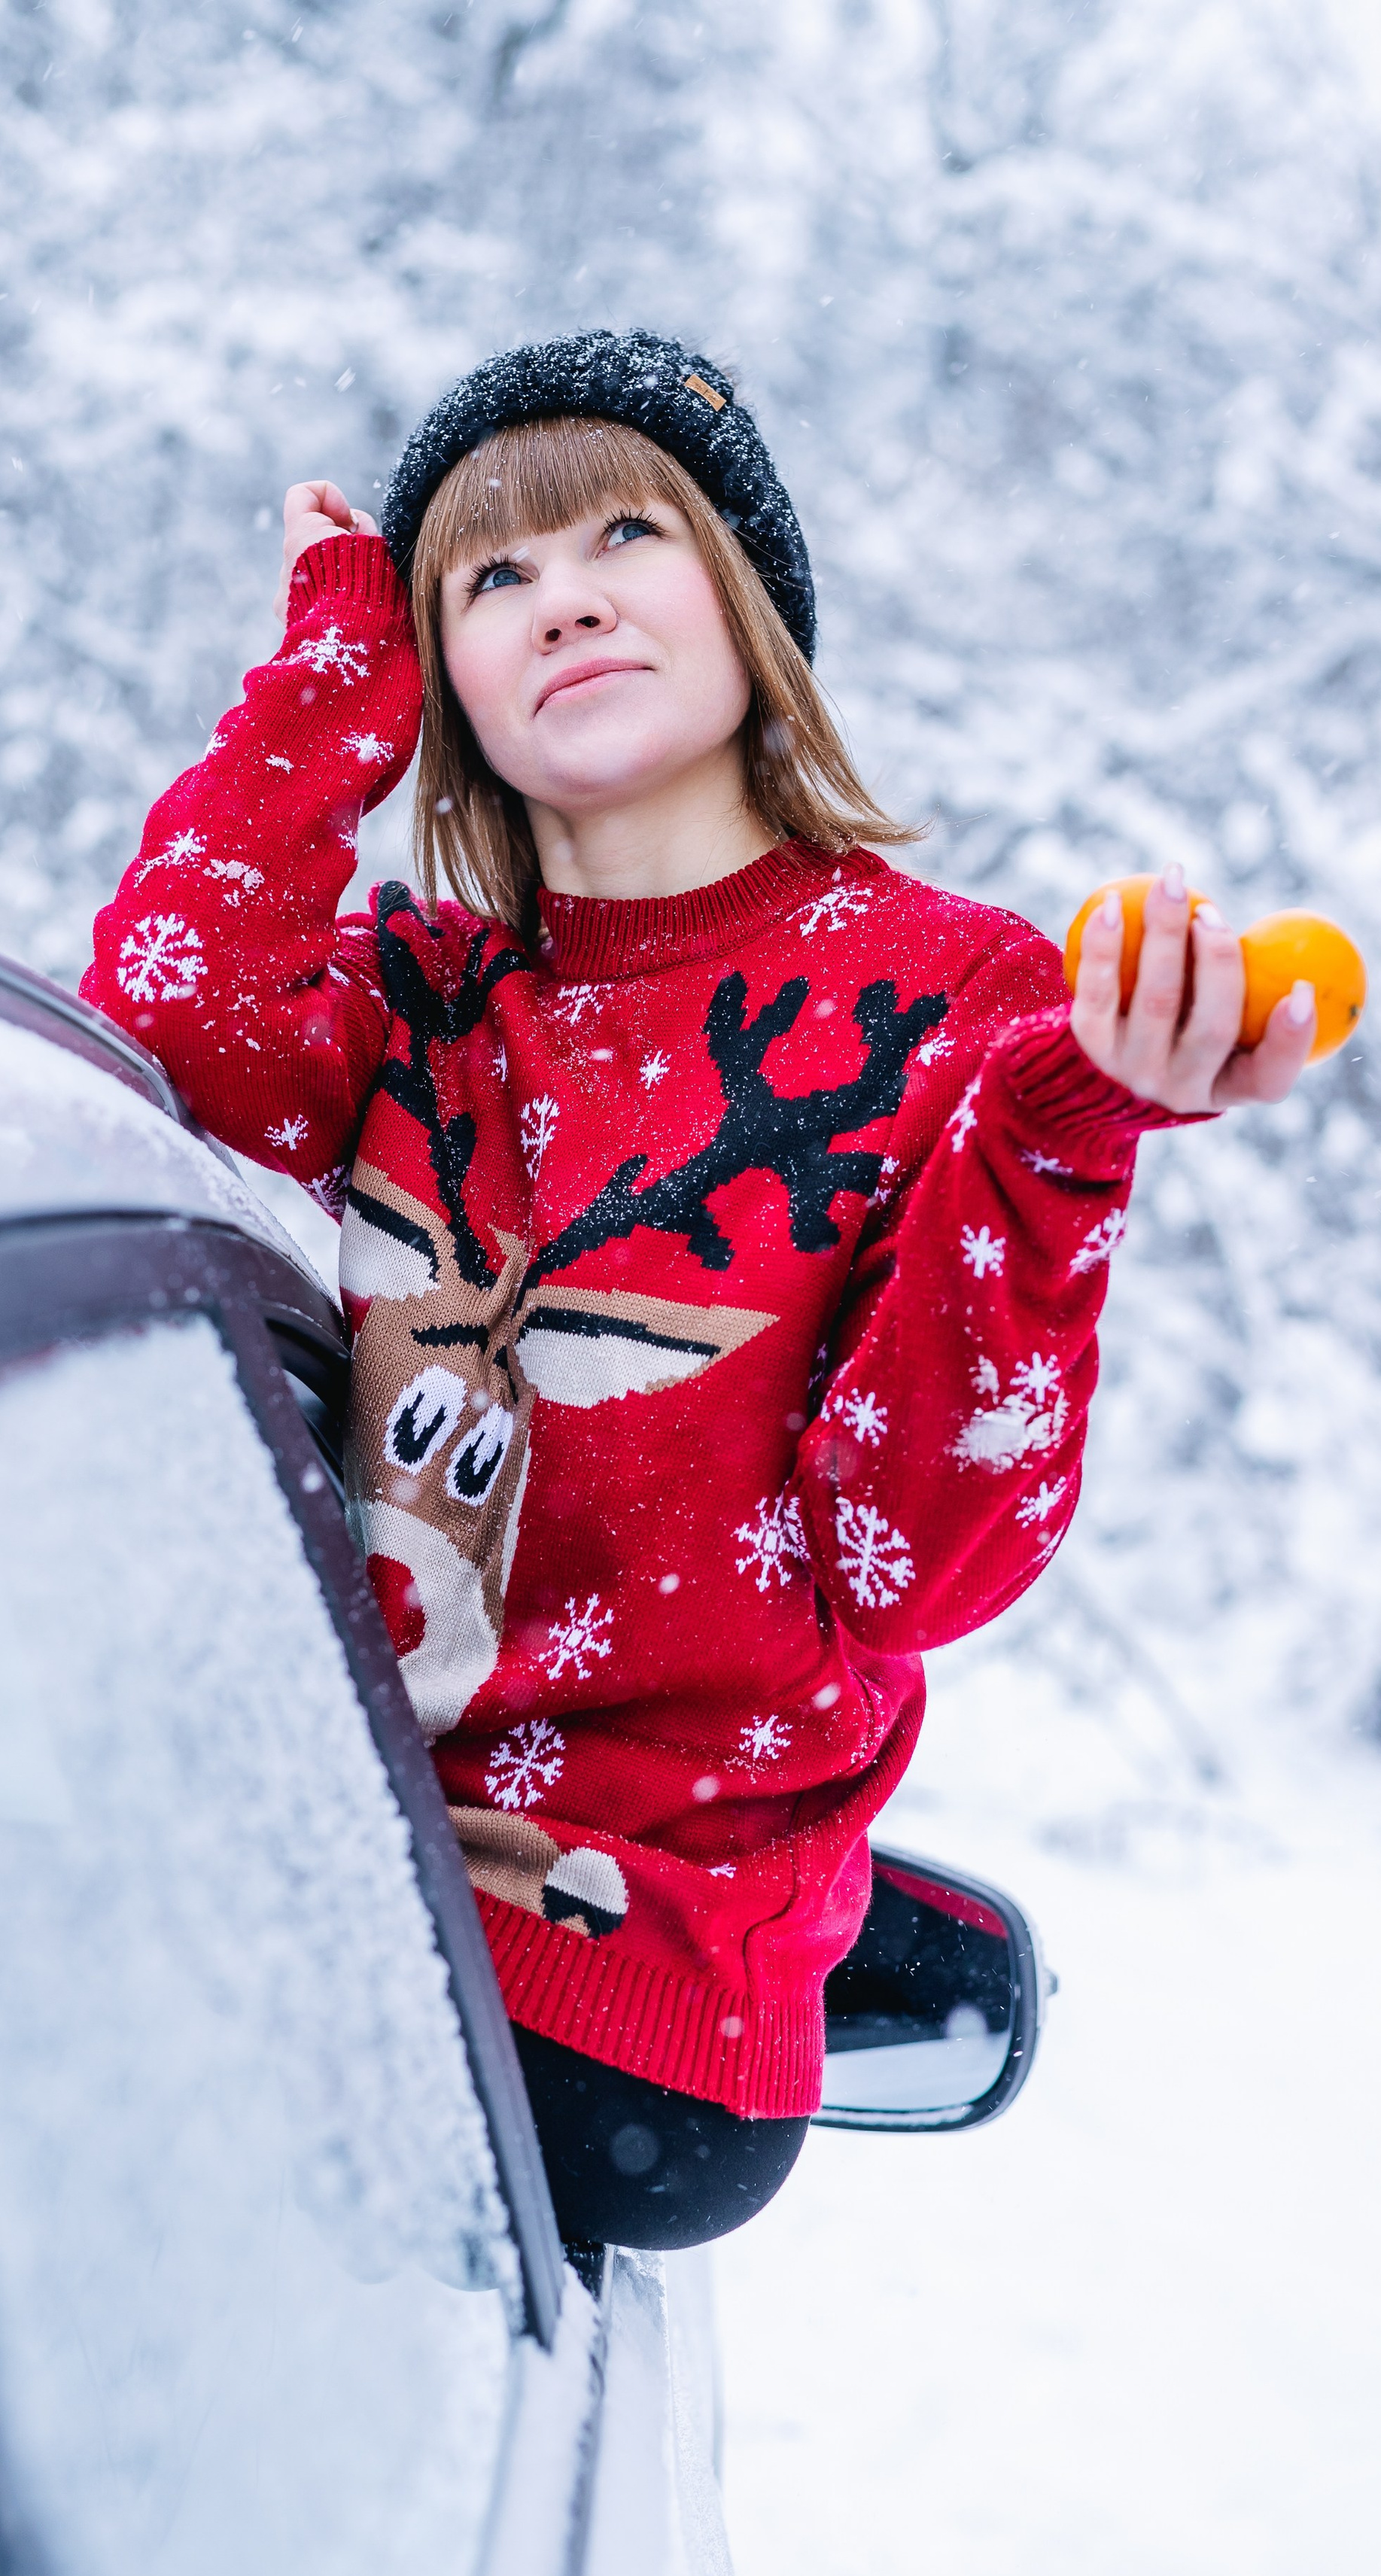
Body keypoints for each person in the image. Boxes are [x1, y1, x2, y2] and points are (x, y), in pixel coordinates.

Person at [82, 329, 1314, 2251]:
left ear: (743, 602)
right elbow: (169, 1020)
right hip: (350, 1840)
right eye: (488, 578)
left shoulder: (954, 1002)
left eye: (622, 538)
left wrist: (1066, 1130)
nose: (559, 595)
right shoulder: (422, 995)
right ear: (443, 680)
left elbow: (917, 1562)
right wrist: (332, 679)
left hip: (607, 1987)